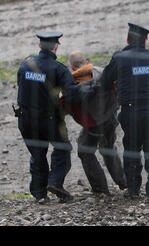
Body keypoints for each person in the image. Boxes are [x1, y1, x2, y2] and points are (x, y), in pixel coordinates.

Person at [15, 32, 95, 203]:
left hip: (25, 119)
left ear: (39, 46)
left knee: (37, 155)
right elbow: (73, 95)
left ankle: (39, 194)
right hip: (49, 119)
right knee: (63, 148)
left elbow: (20, 85)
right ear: (56, 47)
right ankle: (55, 182)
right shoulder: (59, 69)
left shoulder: (25, 64)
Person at [99, 23, 149, 200]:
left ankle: (133, 189)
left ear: (127, 40)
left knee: (132, 149)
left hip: (132, 110)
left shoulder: (120, 57)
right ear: (145, 42)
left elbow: (104, 82)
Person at [65, 51, 127, 195]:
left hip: (92, 124)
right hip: (110, 118)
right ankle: (124, 182)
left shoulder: (72, 81)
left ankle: (100, 189)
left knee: (85, 150)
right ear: (86, 61)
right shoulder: (101, 71)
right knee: (109, 147)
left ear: (72, 67)